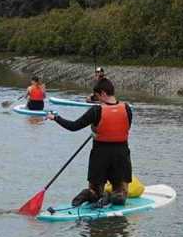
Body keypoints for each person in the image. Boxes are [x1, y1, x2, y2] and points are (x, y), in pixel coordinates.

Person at [46, 78, 133, 208]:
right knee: (121, 195)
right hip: (121, 156)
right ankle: (110, 197)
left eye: (97, 96)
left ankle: (90, 196)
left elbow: (74, 126)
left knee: (95, 192)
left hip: (100, 155)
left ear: (103, 93)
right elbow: (125, 128)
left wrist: (56, 118)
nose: (97, 99)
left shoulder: (96, 111)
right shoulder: (126, 109)